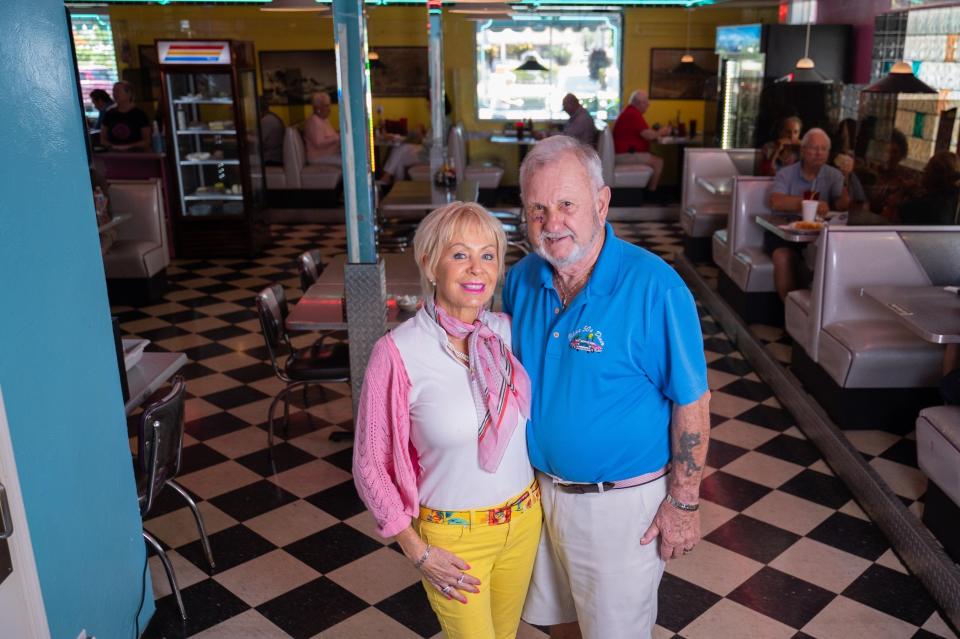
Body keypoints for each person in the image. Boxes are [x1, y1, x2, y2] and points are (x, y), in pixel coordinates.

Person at [503, 135, 711, 639]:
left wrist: (684, 502)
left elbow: (693, 401)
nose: (552, 224)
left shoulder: (655, 288)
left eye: (567, 204)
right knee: (558, 620)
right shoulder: (521, 280)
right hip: (537, 495)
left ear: (601, 202)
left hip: (619, 508)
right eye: (537, 209)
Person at [353, 202, 542, 639]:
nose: (477, 268)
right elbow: (369, 464)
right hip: (454, 539)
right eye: (459, 254)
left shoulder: (509, 333)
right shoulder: (398, 352)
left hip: (525, 520)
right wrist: (417, 551)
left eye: (488, 255)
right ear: (430, 264)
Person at [768, 128, 850, 300]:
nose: (819, 153)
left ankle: (815, 311)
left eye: (823, 149)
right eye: (814, 148)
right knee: (783, 257)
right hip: (785, 234)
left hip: (820, 237)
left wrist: (846, 179)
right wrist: (808, 204)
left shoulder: (834, 175)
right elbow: (776, 201)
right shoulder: (786, 173)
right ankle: (789, 313)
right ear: (803, 150)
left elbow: (842, 206)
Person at [379, 93, 453, 186]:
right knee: (399, 156)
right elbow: (432, 139)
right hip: (429, 152)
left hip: (429, 156)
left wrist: (421, 135)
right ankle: (397, 185)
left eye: (429, 103)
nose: (427, 106)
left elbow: (430, 143)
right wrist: (423, 133)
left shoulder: (441, 122)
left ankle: (390, 180)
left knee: (399, 149)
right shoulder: (444, 120)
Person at [612, 89, 672, 192]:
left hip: (623, 153)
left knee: (654, 156)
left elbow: (644, 133)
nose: (648, 105)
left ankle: (649, 191)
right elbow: (648, 135)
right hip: (624, 155)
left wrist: (656, 133)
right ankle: (651, 193)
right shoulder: (633, 114)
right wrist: (662, 131)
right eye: (646, 102)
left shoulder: (630, 112)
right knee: (658, 162)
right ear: (638, 103)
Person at [898, 151, 960, 225]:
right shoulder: (954, 200)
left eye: (926, 169)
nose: (923, 171)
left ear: (932, 177)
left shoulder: (918, 207)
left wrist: (902, 193)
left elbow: (892, 219)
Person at [100, 81, 150, 152]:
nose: (114, 94)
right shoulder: (109, 114)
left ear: (129, 94)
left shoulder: (140, 114)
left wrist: (127, 147)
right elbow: (102, 139)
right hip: (113, 154)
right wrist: (113, 146)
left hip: (136, 155)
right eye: (113, 91)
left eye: (118, 91)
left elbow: (147, 141)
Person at [303, 91, 340, 166]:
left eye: (329, 105)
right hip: (318, 157)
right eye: (326, 106)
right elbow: (319, 142)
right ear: (318, 108)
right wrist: (337, 138)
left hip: (329, 154)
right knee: (349, 162)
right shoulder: (314, 121)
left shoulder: (324, 120)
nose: (329, 109)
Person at [259, 94, 285, 167]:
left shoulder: (266, 121)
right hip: (278, 156)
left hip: (271, 159)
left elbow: (258, 141)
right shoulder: (272, 116)